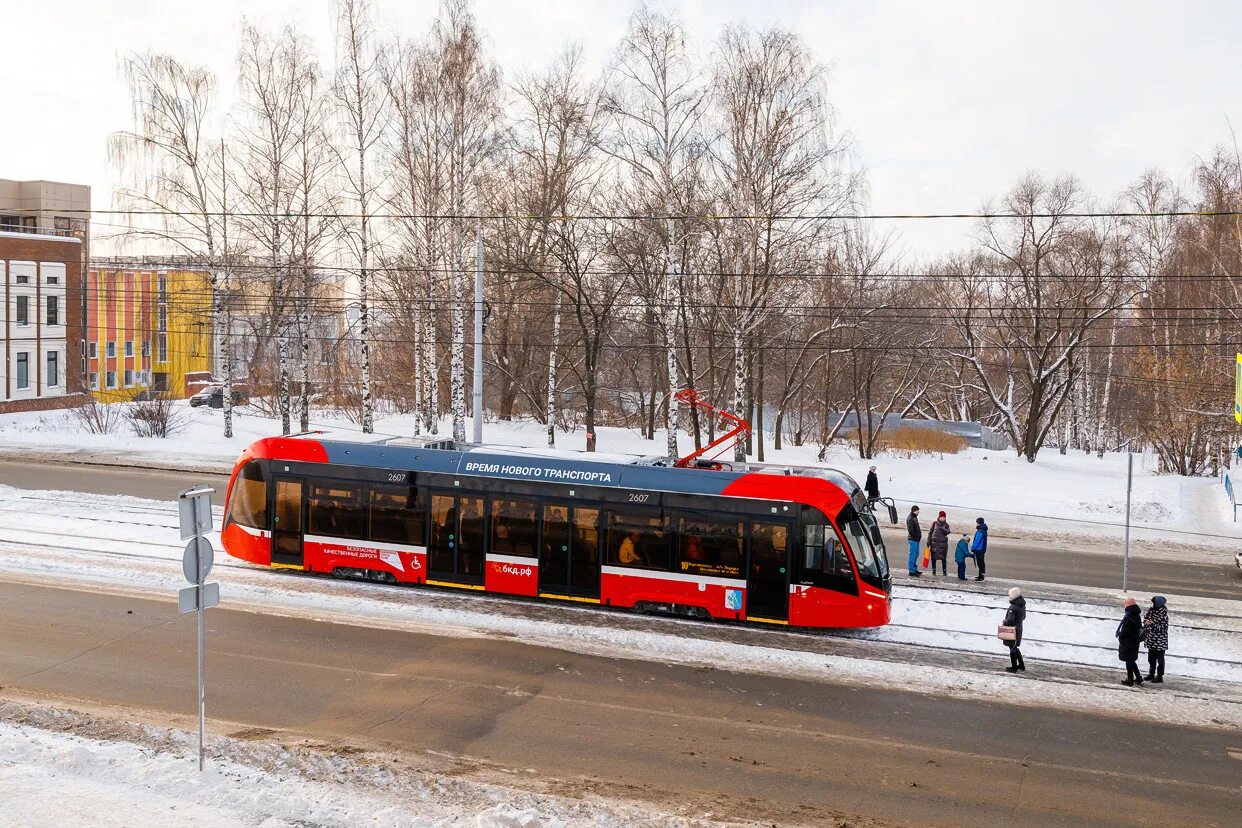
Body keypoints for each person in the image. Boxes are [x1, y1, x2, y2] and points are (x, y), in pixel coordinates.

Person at [1116, 597, 1144, 686]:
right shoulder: (1136, 614)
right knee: (1131, 660)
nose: (1124, 605)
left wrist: (1121, 636)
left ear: (1128, 605)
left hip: (1129, 642)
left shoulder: (1129, 615)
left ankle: (1130, 679)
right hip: (1134, 641)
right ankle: (1138, 678)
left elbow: (1126, 631)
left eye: (1125, 603)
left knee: (1129, 660)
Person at [1144, 595, 1169, 683]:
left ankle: (1159, 676)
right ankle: (1151, 674)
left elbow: (1163, 628)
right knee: (1151, 658)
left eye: (1154, 602)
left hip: (1160, 641)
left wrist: (1152, 624)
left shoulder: (1163, 615)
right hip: (1151, 639)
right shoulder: (1151, 611)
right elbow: (1145, 619)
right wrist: (1147, 621)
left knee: (1160, 659)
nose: (1153, 604)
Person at [1003, 586, 1026, 672]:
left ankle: (1014, 667)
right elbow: (1024, 617)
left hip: (1013, 630)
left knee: (1012, 648)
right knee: (1015, 647)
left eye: (1010, 596)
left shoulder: (1013, 607)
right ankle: (1021, 665)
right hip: (1019, 628)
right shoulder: (1022, 605)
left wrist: (1005, 622)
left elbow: (1010, 621)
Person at [928, 511, 951, 575]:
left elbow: (948, 532)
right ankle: (934, 570)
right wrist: (928, 541)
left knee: (943, 558)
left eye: (944, 517)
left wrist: (943, 529)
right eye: (941, 517)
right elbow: (930, 533)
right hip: (934, 544)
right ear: (939, 517)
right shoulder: (934, 523)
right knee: (933, 558)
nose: (942, 518)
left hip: (943, 546)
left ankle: (944, 571)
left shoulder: (946, 525)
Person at [906, 505, 922, 577]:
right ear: (914, 511)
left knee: (916, 554)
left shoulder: (914, 517)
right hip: (913, 539)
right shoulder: (911, 518)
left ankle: (914, 569)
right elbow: (911, 531)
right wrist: (917, 535)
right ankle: (911, 571)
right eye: (917, 511)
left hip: (916, 539)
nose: (918, 512)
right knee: (912, 555)